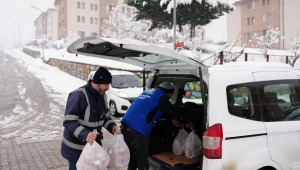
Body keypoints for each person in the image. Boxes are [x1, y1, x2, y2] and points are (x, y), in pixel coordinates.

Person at [120, 81, 193, 170]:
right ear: (168, 93)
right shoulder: (162, 97)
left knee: (134, 160)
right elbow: (171, 110)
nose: (170, 98)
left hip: (126, 128)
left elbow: (155, 108)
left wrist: (171, 119)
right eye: (170, 96)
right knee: (143, 165)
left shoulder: (150, 92)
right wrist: (185, 121)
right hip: (137, 132)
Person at [61, 67, 121, 170]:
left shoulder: (102, 96)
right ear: (97, 82)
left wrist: (112, 127)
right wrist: (85, 134)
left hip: (93, 149)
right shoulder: (79, 95)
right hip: (76, 150)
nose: (108, 88)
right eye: (106, 84)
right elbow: (69, 121)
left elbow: (105, 117)